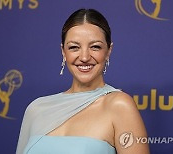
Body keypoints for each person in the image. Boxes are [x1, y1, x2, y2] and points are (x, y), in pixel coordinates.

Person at [16, 8, 150, 154]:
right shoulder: (36, 109)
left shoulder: (120, 105)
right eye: (74, 47)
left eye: (95, 47)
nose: (84, 57)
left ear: (109, 51)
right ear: (63, 51)